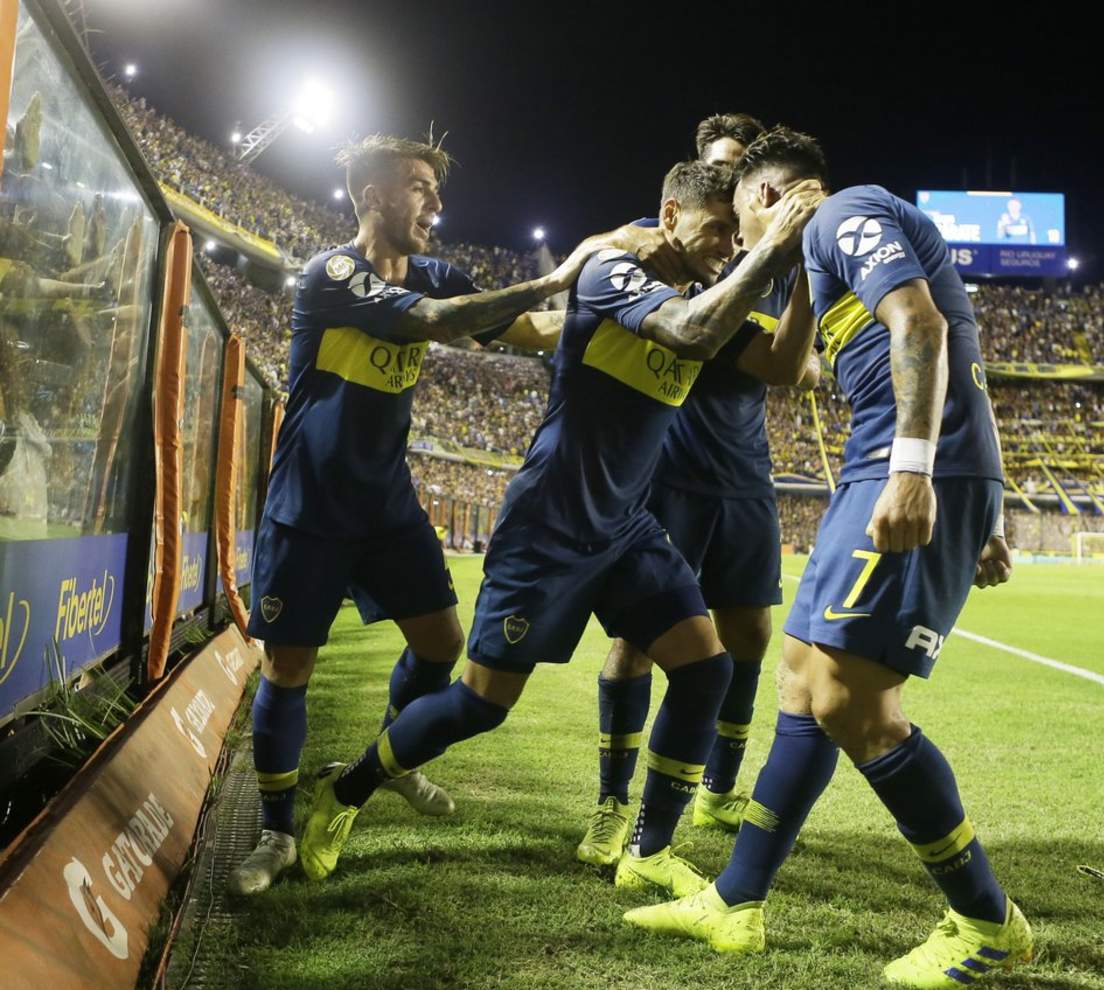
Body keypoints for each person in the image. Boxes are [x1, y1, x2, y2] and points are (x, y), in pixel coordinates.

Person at [297, 161, 823, 898]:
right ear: (669, 213)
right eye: (715, 232)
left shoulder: (711, 288)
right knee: (482, 705)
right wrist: (772, 247)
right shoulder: (613, 272)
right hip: (548, 523)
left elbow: (780, 361)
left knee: (706, 670)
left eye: (737, 238)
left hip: (626, 527)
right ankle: (345, 790)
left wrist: (799, 270)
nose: (728, 248)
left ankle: (647, 847)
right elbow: (692, 333)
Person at [625, 127, 1029, 989]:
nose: (738, 238)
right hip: (885, 462)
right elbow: (957, 335)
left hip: (906, 463)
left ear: (769, 195)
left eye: (740, 216)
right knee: (802, 676)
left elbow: (923, 323)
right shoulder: (819, 253)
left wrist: (924, 473)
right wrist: (982, 507)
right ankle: (737, 900)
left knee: (853, 700)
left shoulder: (845, 212)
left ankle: (986, 921)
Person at [230, 133, 662, 895]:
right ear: (373, 196)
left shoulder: (440, 271)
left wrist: (619, 307)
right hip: (311, 504)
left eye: (434, 188)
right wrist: (563, 272)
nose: (435, 202)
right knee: (288, 666)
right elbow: (432, 319)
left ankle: (389, 757)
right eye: (419, 186)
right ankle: (275, 832)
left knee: (442, 643)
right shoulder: (334, 273)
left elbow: (529, 332)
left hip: (388, 505)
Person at [578, 114, 821, 868]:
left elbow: (796, 365)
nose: (736, 187)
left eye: (745, 174)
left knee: (748, 636)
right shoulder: (656, 244)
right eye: (721, 168)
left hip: (744, 471)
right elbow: (600, 267)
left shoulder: (775, 259)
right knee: (639, 640)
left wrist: (799, 284)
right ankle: (612, 803)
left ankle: (718, 786)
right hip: (668, 469)